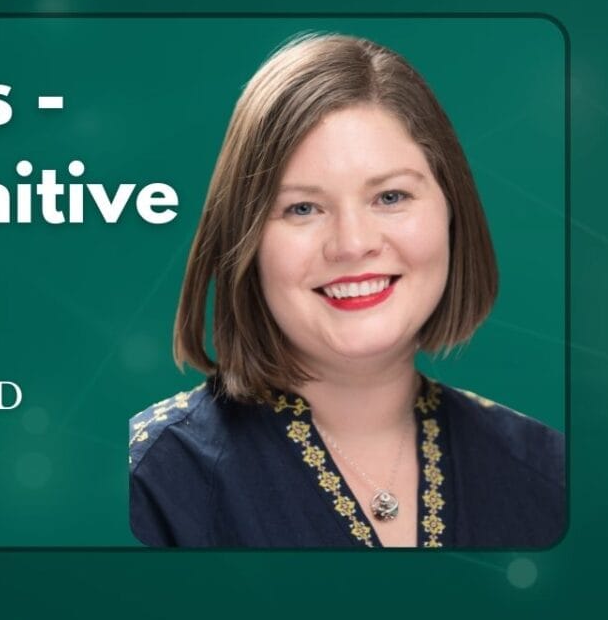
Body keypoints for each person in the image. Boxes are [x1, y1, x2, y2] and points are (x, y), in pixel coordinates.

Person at [129, 34, 565, 548]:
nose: (353, 244)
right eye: (302, 208)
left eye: (390, 196)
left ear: (452, 211)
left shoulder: (549, 471)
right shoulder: (152, 481)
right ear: (243, 240)